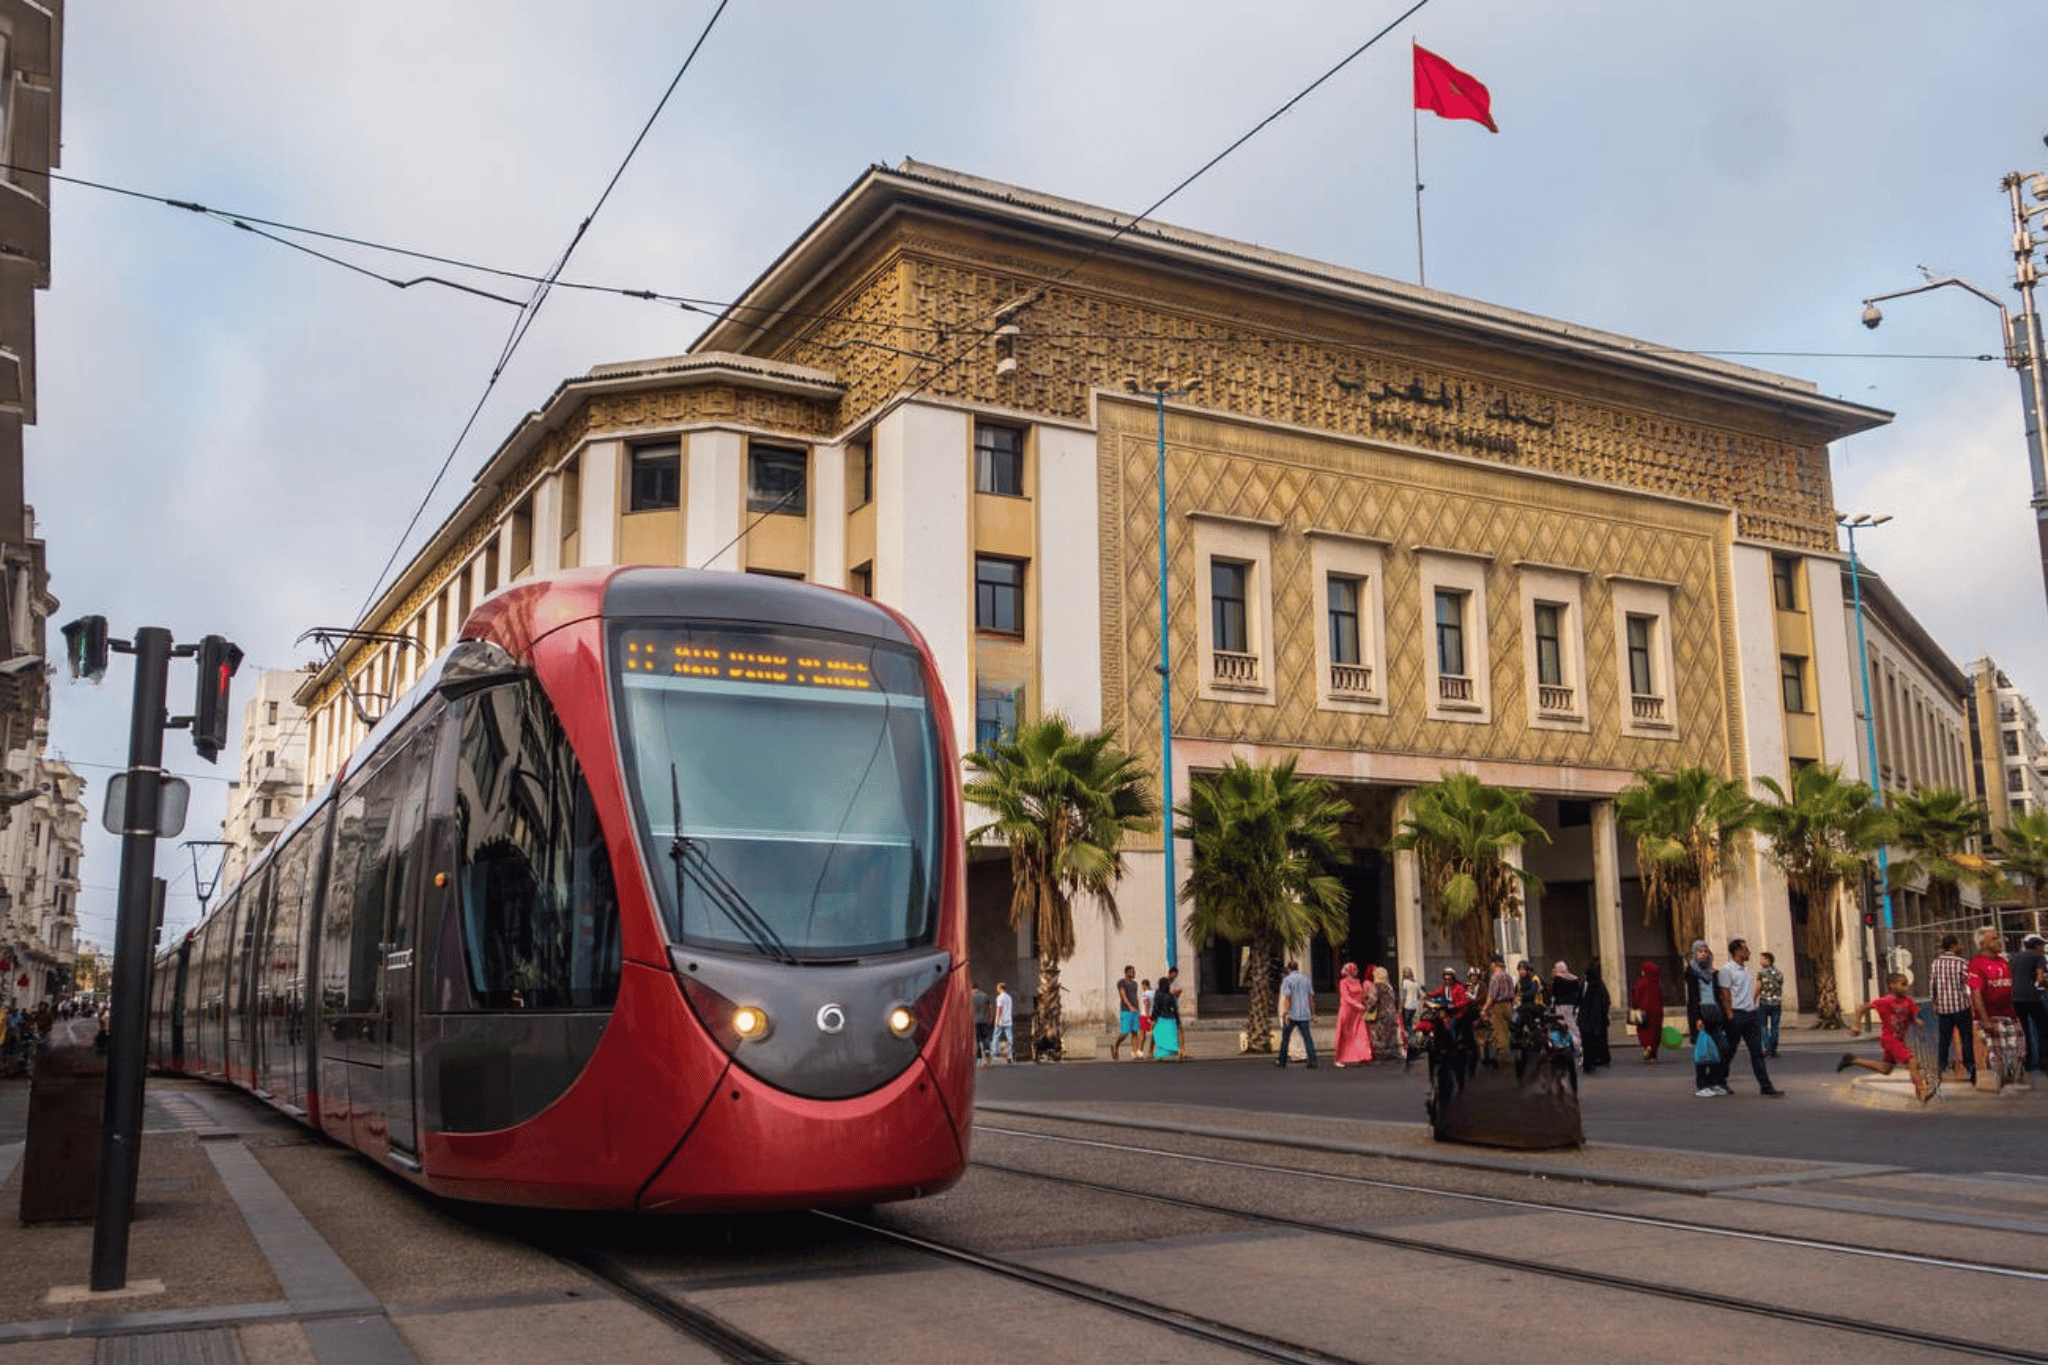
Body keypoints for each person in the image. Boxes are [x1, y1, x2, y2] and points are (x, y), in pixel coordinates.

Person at [1715, 938, 1783, 1096]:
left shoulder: (1745, 970)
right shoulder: (1727, 970)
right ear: (1736, 952)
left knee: (1756, 1051)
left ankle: (1765, 1086)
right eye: (1745, 949)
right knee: (1730, 1050)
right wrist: (1729, 1013)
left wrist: (1753, 1007)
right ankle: (1720, 1080)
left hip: (1751, 1014)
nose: (1749, 952)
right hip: (1736, 1014)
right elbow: (1724, 992)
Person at [1968, 925, 2021, 1086]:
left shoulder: (2003, 961)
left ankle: (2008, 1079)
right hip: (1991, 1016)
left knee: (2014, 1050)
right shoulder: (1976, 964)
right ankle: (2000, 1083)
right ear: (1983, 944)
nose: (1999, 941)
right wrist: (1985, 1020)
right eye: (1994, 938)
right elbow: (1976, 993)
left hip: (2009, 1015)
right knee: (1997, 1052)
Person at [1838, 973, 1920, 1076]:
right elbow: (1863, 1008)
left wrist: (1916, 1020)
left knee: (1886, 1069)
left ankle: (1851, 1061)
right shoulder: (1885, 1001)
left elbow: (1913, 1015)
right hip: (1890, 1039)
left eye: (1906, 985)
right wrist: (1857, 1025)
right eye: (1903, 984)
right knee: (1912, 1062)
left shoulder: (1908, 1001)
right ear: (1892, 985)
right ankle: (1921, 1090)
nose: (1906, 988)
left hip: (1899, 1039)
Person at [1929, 934, 1975, 1084]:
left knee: (1944, 1039)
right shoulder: (1962, 962)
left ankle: (1942, 1067)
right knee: (1966, 1039)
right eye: (1959, 944)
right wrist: (1970, 1001)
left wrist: (1935, 1002)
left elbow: (1933, 985)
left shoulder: (1936, 963)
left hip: (1944, 1008)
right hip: (1961, 1006)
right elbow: (1968, 984)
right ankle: (1970, 1067)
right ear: (1953, 946)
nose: (1961, 947)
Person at [1686, 940, 1730, 1096]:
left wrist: (1723, 1015)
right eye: (1700, 951)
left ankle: (1715, 1081)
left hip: (1714, 1014)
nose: (1703, 954)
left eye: (1705, 951)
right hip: (1700, 1016)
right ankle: (1702, 1085)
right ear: (1694, 954)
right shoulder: (1692, 972)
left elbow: (1717, 995)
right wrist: (1697, 1018)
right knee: (1703, 1051)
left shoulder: (1713, 973)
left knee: (1722, 1048)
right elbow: (1693, 997)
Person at [2012, 933, 2047, 1075]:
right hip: (2031, 997)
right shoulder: (2038, 956)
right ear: (2036, 946)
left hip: (2014, 998)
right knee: (2044, 1029)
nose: (2044, 948)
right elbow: (2040, 979)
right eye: (2042, 945)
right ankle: (2045, 1061)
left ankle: (2027, 1063)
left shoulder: (2013, 957)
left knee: (2024, 1031)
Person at [1275, 960, 1317, 1068]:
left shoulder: (1287, 980)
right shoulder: (1306, 979)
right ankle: (1312, 1060)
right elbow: (1311, 997)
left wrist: (1286, 1012)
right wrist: (1313, 1013)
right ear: (1297, 968)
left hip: (1293, 1013)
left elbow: (1288, 997)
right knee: (1307, 1037)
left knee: (1286, 1038)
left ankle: (1282, 1060)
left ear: (1289, 969)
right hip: (1304, 1012)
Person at [1333, 963, 1372, 1067]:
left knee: (1361, 1033)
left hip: (1357, 1013)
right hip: (1347, 1011)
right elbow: (1346, 997)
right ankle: (1339, 1058)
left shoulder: (1357, 981)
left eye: (1356, 969)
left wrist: (1365, 1002)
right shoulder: (1343, 982)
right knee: (1344, 1035)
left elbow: (1361, 995)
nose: (1356, 971)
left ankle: (1363, 1055)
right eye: (1354, 969)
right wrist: (1359, 1005)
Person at [1579, 961, 1613, 1074]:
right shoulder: (1600, 986)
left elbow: (1583, 1004)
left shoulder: (1589, 988)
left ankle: (1591, 1061)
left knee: (1589, 1041)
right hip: (1599, 1020)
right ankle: (1602, 1058)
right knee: (1600, 1040)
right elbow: (1606, 1001)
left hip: (1589, 1020)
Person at [1631, 960, 1665, 1062]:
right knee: (1655, 1032)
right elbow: (1661, 998)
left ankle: (1647, 1047)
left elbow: (1636, 997)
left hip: (1644, 1011)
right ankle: (1653, 1054)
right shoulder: (1657, 983)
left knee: (1644, 1031)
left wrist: (1635, 1007)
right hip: (1657, 1012)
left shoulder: (1641, 982)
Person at [1483, 954, 1514, 1062]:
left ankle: (1503, 1057)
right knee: (1507, 1030)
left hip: (1498, 1006)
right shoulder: (1508, 976)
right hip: (1509, 1005)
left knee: (1500, 1031)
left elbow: (1492, 996)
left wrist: (1484, 1009)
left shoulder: (1495, 977)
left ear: (1494, 964)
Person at [1368, 966, 1401, 1064]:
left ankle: (1380, 1055)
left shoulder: (1376, 986)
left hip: (1381, 1014)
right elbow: (1394, 999)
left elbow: (1373, 1000)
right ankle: (1391, 1053)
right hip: (1391, 1013)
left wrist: (1368, 1008)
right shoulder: (1389, 986)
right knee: (1390, 1033)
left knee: (1379, 1034)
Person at [1756, 950, 1786, 1057]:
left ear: (1768, 960)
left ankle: (1767, 1048)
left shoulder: (1761, 973)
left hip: (1764, 1002)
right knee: (1775, 1027)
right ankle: (1773, 1048)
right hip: (1776, 1003)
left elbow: (1758, 987)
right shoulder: (1779, 974)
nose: (1760, 961)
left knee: (1763, 1025)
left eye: (1762, 959)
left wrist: (1754, 998)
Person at [1549, 961, 1583, 1053]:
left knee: (1562, 1022)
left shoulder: (1558, 979)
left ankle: (1564, 1042)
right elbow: (1578, 992)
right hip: (1571, 1004)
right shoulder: (1574, 979)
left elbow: (1554, 993)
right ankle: (1577, 1039)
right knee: (1571, 1021)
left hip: (1561, 1004)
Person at [1152, 966, 1183, 1061]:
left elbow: (1156, 1008)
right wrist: (1177, 1020)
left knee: (1160, 1036)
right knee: (1172, 1037)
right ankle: (1178, 1052)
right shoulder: (1170, 996)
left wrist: (1153, 1018)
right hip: (1171, 1018)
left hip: (1162, 1018)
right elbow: (1175, 1009)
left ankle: (1159, 1054)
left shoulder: (1158, 995)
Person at [1111, 965, 1142, 1061]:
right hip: (1126, 1011)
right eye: (1132, 972)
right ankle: (1116, 1045)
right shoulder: (1121, 983)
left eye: (1134, 971)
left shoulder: (1135, 984)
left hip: (1135, 1011)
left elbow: (1135, 996)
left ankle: (1135, 1052)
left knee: (1135, 1032)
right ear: (1127, 972)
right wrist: (1130, 1007)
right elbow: (1123, 996)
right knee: (1125, 1033)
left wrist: (1137, 1008)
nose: (1134, 973)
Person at [990, 982, 1015, 1064]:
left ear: (1000, 988)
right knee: (1009, 1037)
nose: (996, 989)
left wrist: (997, 1019)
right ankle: (1010, 1053)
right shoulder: (1009, 997)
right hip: (1008, 1020)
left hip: (1001, 1020)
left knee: (996, 1036)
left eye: (997, 988)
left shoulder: (1000, 998)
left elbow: (999, 1009)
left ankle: (994, 1052)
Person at [971, 981, 991, 1065]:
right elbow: (989, 1007)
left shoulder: (970, 996)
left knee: (977, 1041)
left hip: (974, 1022)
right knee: (985, 1038)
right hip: (984, 1020)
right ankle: (987, 1055)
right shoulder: (984, 995)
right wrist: (990, 1018)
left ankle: (979, 1060)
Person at [1399, 966, 1422, 1040]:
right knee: (1411, 1024)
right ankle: (1414, 1039)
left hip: (1407, 1006)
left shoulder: (1405, 982)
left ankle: (1412, 1041)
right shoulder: (1415, 983)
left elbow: (1403, 996)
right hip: (1414, 1006)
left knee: (1407, 1025)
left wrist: (1400, 1007)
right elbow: (1419, 995)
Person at [1138, 978, 1155, 1059]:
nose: (1142, 988)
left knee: (1142, 1034)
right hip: (1153, 1014)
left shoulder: (1145, 994)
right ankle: (1151, 1051)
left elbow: (1146, 1003)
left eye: (1142, 986)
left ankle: (1140, 1051)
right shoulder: (1154, 992)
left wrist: (1148, 1016)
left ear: (1144, 985)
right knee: (1153, 1034)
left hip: (1145, 1015)